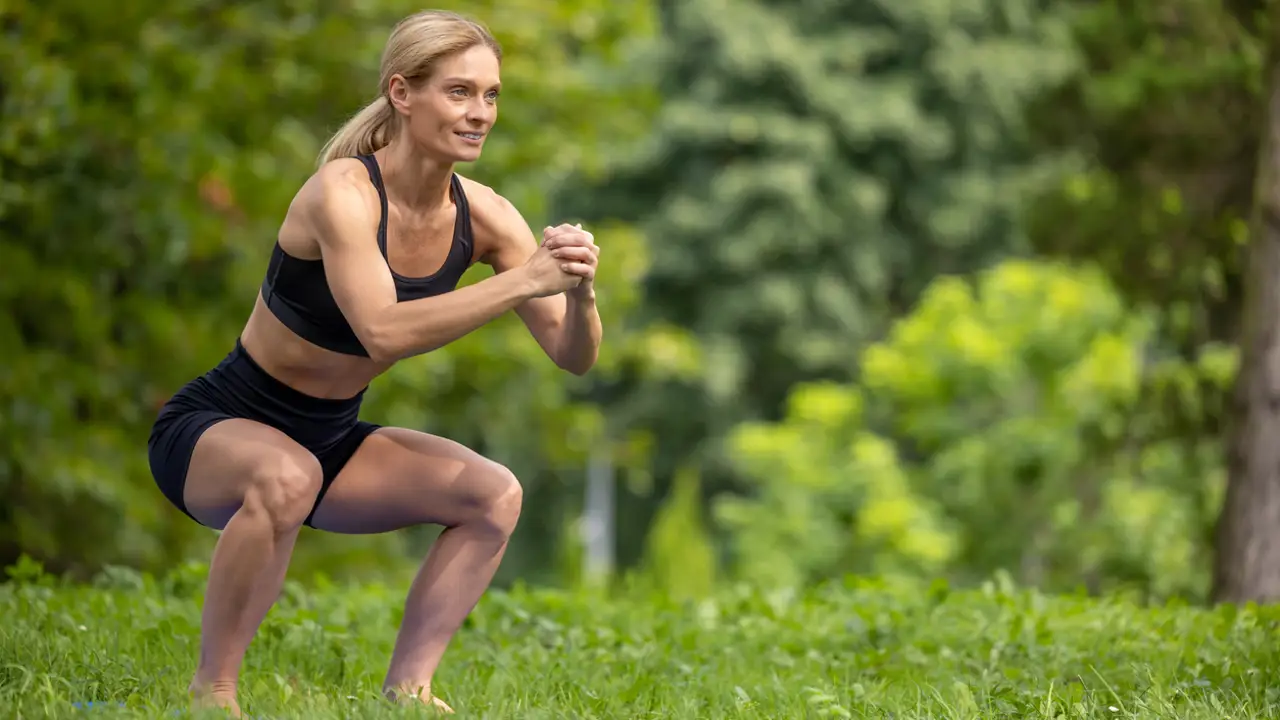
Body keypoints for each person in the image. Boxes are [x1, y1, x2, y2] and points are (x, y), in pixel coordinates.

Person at [146, 9, 602, 717]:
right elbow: (383, 331)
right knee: (283, 474)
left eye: (491, 95)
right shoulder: (343, 194)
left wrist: (579, 290)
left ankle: (409, 690)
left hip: (331, 439)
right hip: (217, 427)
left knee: (494, 495)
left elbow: (572, 358)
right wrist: (523, 280)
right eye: (459, 92)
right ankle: (214, 693)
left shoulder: (486, 217)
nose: (480, 112)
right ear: (401, 93)